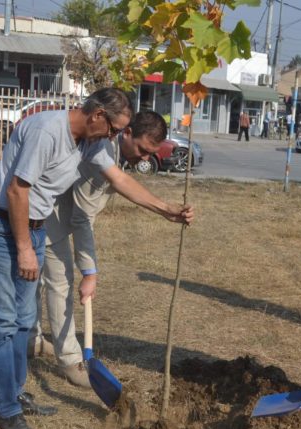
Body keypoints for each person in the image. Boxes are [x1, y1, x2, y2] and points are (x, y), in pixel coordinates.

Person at [0, 88, 192, 429]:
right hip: (2, 229)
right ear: (97, 115)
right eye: (115, 129)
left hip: (36, 230)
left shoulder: (91, 141)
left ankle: (15, 393)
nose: (116, 138)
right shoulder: (47, 131)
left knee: (25, 322)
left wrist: (168, 211)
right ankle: (6, 409)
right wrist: (25, 248)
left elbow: (120, 180)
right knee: (1, 326)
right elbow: (16, 191)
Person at [29, 110, 194, 387]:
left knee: (36, 280)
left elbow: (124, 182)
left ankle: (30, 340)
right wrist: (89, 272)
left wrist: (166, 210)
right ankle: (71, 360)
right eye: (142, 149)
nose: (144, 158)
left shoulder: (113, 149)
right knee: (60, 283)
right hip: (45, 212)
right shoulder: (102, 152)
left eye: (149, 153)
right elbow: (82, 218)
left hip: (50, 210)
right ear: (127, 132)